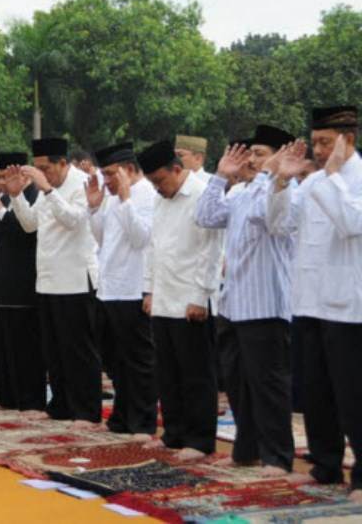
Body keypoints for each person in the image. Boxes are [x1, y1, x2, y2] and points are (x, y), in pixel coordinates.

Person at [267, 106, 362, 501]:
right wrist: (281, 184)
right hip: (308, 302)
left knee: (353, 395)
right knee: (317, 392)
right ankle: (324, 465)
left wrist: (333, 179)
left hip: (348, 307)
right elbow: (278, 225)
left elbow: (351, 223)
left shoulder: (352, 178)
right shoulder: (314, 183)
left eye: (327, 142)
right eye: (317, 142)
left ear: (349, 139)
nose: (320, 151)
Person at [196, 125, 296, 476]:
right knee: (238, 382)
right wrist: (220, 177)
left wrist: (278, 179)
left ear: (282, 156)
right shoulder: (239, 192)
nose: (251, 160)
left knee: (268, 385)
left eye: (259, 153)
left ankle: (277, 457)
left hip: (266, 305)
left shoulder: (285, 191)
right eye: (250, 154)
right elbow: (205, 217)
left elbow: (278, 222)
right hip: (234, 304)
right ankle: (248, 449)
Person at [4, 138, 101, 424]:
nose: (41, 173)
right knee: (54, 349)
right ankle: (61, 405)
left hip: (75, 279)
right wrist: (16, 196)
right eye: (37, 169)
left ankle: (86, 409)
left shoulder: (83, 182)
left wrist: (46, 189)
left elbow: (75, 220)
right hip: (47, 279)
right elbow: (30, 224)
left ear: (63, 163)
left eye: (46, 168)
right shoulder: (46, 190)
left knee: (78, 350)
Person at [138, 140, 222, 461]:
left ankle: (200, 440)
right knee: (168, 371)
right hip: (164, 297)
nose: (158, 189)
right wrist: (150, 290)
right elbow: (154, 247)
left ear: (177, 169)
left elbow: (211, 251)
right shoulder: (161, 200)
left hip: (192, 299)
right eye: (152, 183)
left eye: (160, 181)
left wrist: (200, 295)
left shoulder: (202, 195)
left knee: (196, 372)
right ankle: (173, 433)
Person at [87, 141, 157, 438]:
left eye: (111, 174)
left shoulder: (147, 195)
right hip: (110, 287)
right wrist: (94, 207)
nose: (107, 181)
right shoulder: (113, 198)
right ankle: (122, 416)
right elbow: (103, 238)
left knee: (138, 361)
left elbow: (142, 239)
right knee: (116, 360)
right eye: (104, 175)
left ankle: (142, 420)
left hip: (133, 287)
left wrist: (126, 200)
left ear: (129, 170)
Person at [0, 151, 45, 411]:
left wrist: (1, 209)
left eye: (2, 177)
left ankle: (29, 401)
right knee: (2, 346)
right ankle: (5, 396)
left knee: (25, 349)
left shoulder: (33, 196)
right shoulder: (3, 198)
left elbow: (24, 233)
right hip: (1, 281)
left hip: (24, 281)